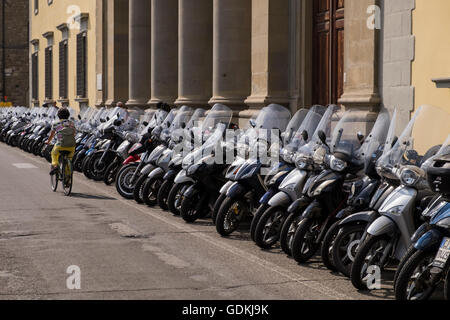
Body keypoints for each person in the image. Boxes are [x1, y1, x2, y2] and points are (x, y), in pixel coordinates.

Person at [46, 108, 77, 175]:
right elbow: (74, 134)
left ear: (58, 115)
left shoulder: (56, 124)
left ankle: (55, 166)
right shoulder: (71, 123)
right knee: (69, 159)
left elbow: (52, 134)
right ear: (68, 115)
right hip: (71, 146)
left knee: (54, 153)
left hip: (60, 145)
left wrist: (48, 141)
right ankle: (67, 180)